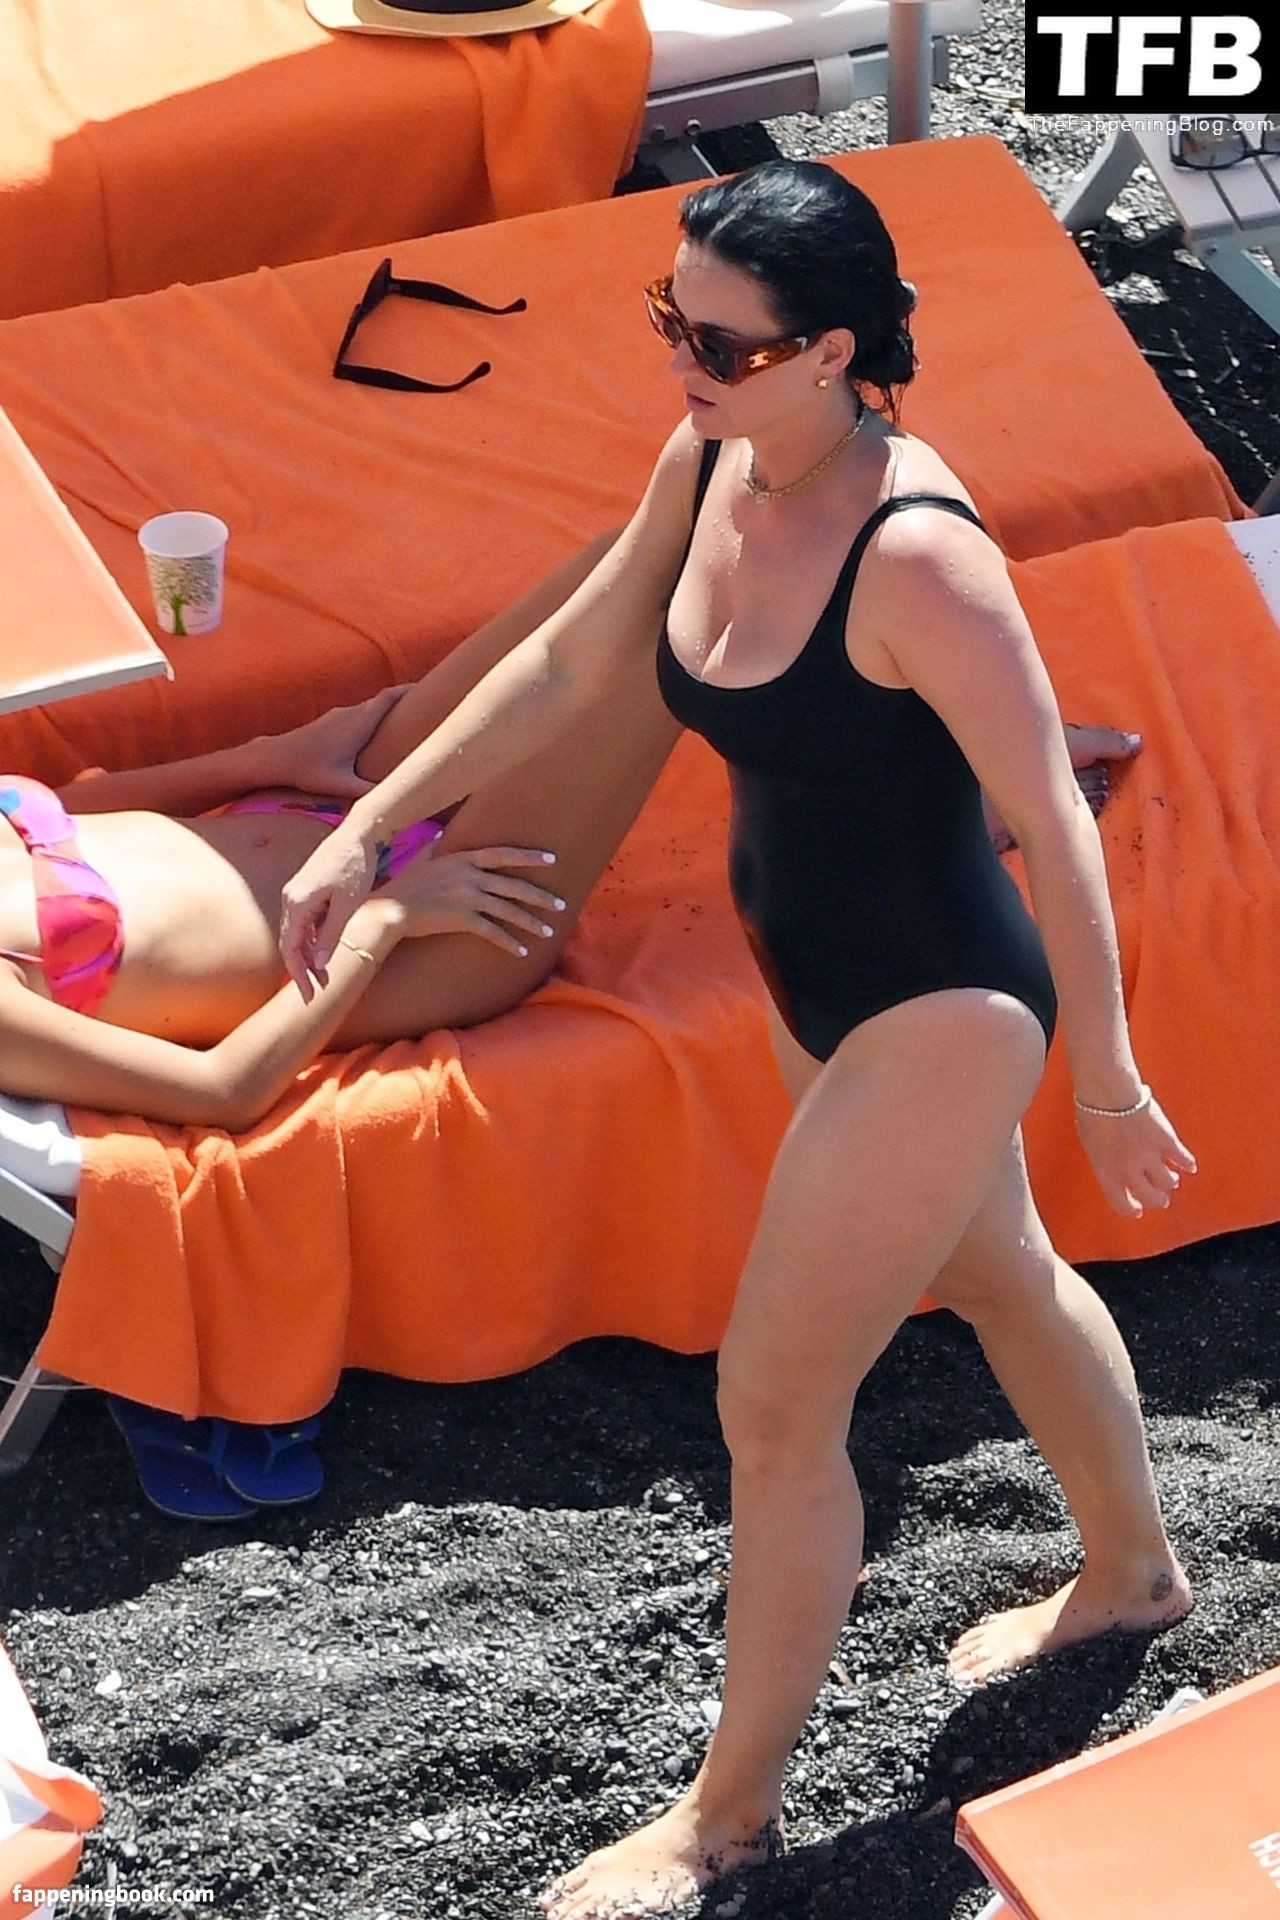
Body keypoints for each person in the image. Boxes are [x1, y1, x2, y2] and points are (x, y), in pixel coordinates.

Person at [276, 160, 1197, 1918]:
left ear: (832, 351)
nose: (679, 363)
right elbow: (570, 662)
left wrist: (1105, 1071)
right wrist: (367, 829)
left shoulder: (917, 555)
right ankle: (1135, 1575)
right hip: (811, 980)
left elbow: (1050, 822)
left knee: (773, 1409)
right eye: (669, 321)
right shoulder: (712, 457)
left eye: (718, 341)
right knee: (1000, 1271)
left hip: (941, 1007)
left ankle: (725, 1822)